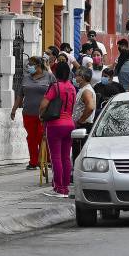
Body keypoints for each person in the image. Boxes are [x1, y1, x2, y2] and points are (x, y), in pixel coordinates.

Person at [10, 56, 56, 170]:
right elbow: (20, 95)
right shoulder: (26, 78)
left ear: (38, 65)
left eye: (31, 64)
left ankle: (46, 160)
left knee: (42, 136)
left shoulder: (49, 76)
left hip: (44, 114)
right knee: (31, 137)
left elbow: (56, 93)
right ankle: (33, 161)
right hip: (28, 113)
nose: (28, 66)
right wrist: (14, 109)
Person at [40, 61, 77, 198]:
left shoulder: (55, 87)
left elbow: (44, 104)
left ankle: (59, 188)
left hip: (55, 124)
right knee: (66, 157)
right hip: (69, 123)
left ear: (57, 72)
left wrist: (41, 115)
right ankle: (66, 187)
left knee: (56, 157)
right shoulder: (72, 88)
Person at [71, 68, 97, 157]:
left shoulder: (86, 91)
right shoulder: (82, 90)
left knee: (79, 153)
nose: (74, 78)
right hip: (80, 125)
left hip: (83, 126)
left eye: (76, 76)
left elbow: (90, 107)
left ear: (82, 78)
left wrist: (80, 120)